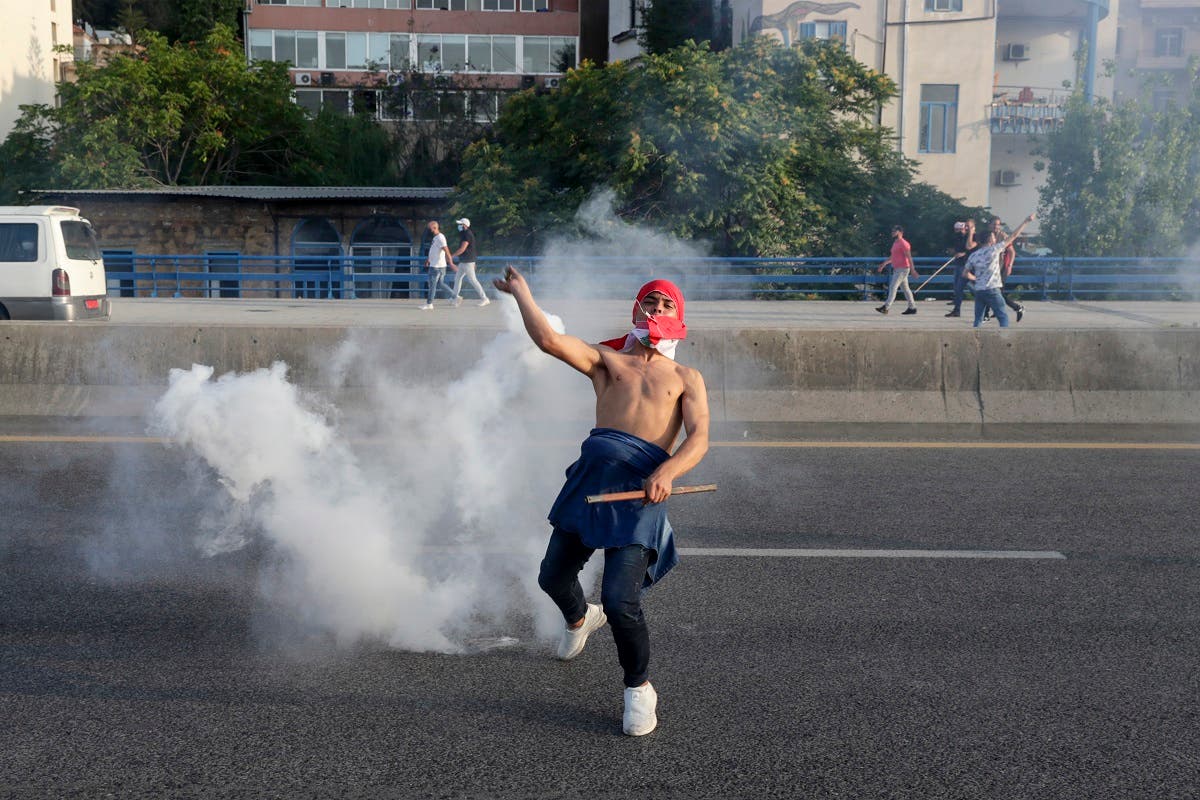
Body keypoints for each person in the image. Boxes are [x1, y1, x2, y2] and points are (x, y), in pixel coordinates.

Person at [492, 265, 710, 737]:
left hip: (640, 497)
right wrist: (522, 293)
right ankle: (578, 616)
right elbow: (550, 340)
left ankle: (639, 689)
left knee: (619, 598)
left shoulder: (686, 377)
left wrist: (667, 470)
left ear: (679, 317)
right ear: (636, 310)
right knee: (552, 575)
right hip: (590, 483)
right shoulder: (607, 362)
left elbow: (699, 439)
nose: (656, 309)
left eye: (666, 304)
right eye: (649, 302)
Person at [966, 213, 1035, 328]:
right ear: (990, 240)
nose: (995, 238)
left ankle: (975, 340)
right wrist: (1026, 221)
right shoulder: (994, 250)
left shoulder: (974, 255)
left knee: (978, 319)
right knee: (1002, 317)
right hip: (992, 289)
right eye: (993, 237)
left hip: (979, 290)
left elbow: (965, 273)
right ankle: (1004, 340)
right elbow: (1013, 236)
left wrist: (976, 278)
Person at [988, 217, 1026, 322]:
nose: (996, 226)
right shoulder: (988, 235)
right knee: (992, 291)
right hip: (992, 269)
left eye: (998, 224)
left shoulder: (1003, 236)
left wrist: (1009, 266)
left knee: (997, 292)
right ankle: (996, 311)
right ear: (989, 225)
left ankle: (1017, 308)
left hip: (1002, 268)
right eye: (994, 224)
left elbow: (1012, 252)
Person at [876, 225, 920, 315]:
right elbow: (893, 257)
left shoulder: (904, 243)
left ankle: (886, 307)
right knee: (906, 289)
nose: (892, 232)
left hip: (903, 269)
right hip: (897, 269)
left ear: (900, 232)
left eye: (894, 231)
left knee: (893, 287)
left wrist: (913, 270)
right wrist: (884, 264)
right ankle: (912, 308)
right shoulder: (896, 243)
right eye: (892, 231)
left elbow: (909, 257)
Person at [447, 217, 490, 307]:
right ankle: (455, 297)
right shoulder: (464, 234)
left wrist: (452, 255)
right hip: (464, 261)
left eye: (460, 224)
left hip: (468, 261)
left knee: (473, 280)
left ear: (465, 225)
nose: (459, 226)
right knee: (457, 279)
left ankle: (484, 298)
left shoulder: (467, 234)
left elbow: (463, 248)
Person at [418, 220, 457, 311]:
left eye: (429, 228)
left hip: (436, 266)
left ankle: (429, 304)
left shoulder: (440, 238)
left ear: (434, 228)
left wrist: (450, 262)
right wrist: (428, 260)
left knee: (432, 285)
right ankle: (455, 296)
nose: (428, 229)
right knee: (440, 284)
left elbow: (446, 250)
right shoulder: (436, 238)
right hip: (436, 264)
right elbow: (434, 251)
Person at [946, 220, 976, 317]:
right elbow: (956, 248)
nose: (966, 228)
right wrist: (953, 252)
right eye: (966, 226)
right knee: (957, 288)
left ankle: (957, 310)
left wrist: (963, 253)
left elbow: (971, 249)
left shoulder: (975, 237)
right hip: (959, 264)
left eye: (968, 226)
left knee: (962, 287)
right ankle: (957, 310)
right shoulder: (959, 237)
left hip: (968, 265)